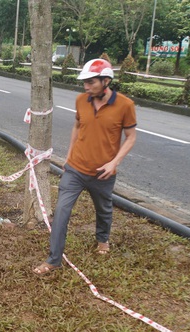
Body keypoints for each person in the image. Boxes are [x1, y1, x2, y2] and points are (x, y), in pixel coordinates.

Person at [33, 58, 137, 275]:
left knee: (104, 209)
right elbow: (77, 127)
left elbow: (130, 137)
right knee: (61, 211)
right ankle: (53, 260)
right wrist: (69, 156)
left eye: (91, 82)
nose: (86, 87)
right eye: (85, 82)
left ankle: (102, 239)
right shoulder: (81, 100)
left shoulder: (125, 105)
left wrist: (114, 162)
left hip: (103, 173)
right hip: (76, 169)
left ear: (106, 80)